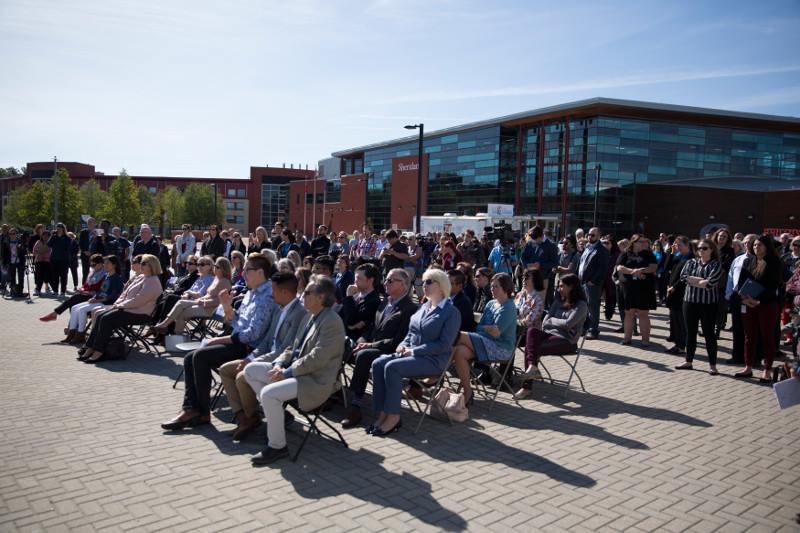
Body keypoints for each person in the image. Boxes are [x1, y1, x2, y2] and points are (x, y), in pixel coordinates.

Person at [161, 252, 277, 430]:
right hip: (238, 341)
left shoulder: (267, 295)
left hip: (250, 350)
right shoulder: (252, 292)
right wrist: (227, 307)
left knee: (200, 357)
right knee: (190, 357)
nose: (243, 274)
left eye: (247, 270)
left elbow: (252, 335)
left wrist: (218, 339)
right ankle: (193, 409)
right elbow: (237, 323)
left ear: (260, 272)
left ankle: (200, 412)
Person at [247, 275, 345, 465]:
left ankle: (277, 446)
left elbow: (318, 358)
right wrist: (279, 364)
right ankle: (279, 417)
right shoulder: (309, 316)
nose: (302, 295)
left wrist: (286, 372)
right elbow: (292, 347)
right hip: (297, 372)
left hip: (314, 381)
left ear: (321, 297)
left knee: (268, 394)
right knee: (251, 370)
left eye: (307, 292)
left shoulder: (332, 321)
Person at [368, 269, 460, 437]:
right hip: (412, 355)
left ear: (441, 286)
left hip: (433, 360)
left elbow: (444, 345)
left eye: (428, 282)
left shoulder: (451, 312)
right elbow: (410, 334)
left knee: (392, 368)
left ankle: (394, 417)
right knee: (378, 363)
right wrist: (402, 346)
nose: (423, 285)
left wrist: (413, 351)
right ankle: (382, 413)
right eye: (423, 282)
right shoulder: (423, 307)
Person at [218, 272, 305, 441]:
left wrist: (252, 362)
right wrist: (249, 358)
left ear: (285, 292)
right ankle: (244, 418)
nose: (271, 294)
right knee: (226, 370)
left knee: (242, 376)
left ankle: (254, 418)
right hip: (264, 358)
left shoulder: (299, 314)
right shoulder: (279, 310)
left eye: (273, 290)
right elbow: (266, 342)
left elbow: (284, 350)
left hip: (280, 365)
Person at [340, 269, 418, 429]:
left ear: (403, 285)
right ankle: (332, 391)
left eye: (390, 281)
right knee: (342, 346)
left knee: (364, 355)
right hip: (372, 345)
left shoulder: (409, 309)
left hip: (391, 350)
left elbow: (398, 340)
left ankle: (356, 405)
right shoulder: (385, 302)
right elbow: (371, 329)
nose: (385, 283)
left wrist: (369, 345)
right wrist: (361, 341)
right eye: (385, 279)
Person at [514, 274, 588, 399]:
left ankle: (526, 388)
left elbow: (568, 324)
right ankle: (532, 367)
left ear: (572, 287)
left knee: (531, 348)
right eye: (558, 286)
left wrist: (552, 320)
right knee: (531, 331)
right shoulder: (558, 301)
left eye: (562, 286)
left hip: (566, 340)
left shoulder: (581, 305)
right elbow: (545, 322)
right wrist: (557, 322)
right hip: (549, 334)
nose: (559, 289)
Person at [80, 254, 163, 363]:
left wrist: (120, 306)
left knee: (106, 319)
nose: (140, 265)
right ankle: (90, 347)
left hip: (140, 314)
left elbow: (138, 300)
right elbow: (125, 294)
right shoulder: (142, 277)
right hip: (129, 309)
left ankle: (98, 352)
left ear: (152, 266)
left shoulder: (153, 282)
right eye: (141, 263)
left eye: (143, 263)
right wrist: (117, 304)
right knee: (100, 316)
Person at [452, 272, 517, 404]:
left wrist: (486, 328)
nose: (492, 289)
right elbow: (480, 327)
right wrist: (487, 328)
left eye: (496, 286)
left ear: (506, 288)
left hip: (500, 348)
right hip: (484, 341)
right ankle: (468, 392)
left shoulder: (509, 307)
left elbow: (496, 333)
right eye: (492, 286)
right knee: (459, 352)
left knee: (456, 335)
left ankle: (435, 373)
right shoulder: (490, 304)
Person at [735, 235, 783, 382]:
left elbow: (774, 287)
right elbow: (741, 282)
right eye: (754, 245)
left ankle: (767, 370)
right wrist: (744, 299)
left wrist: (758, 301)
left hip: (766, 305)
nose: (756, 247)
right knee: (749, 337)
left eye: (759, 245)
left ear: (767, 247)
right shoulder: (749, 261)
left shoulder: (774, 263)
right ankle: (748, 367)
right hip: (748, 304)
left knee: (767, 337)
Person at [674, 239, 723, 375]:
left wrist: (695, 281)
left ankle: (713, 365)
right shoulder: (691, 262)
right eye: (699, 248)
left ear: (712, 250)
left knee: (709, 334)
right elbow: (683, 277)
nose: (701, 250)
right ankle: (688, 361)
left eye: (705, 248)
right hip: (689, 302)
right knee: (690, 332)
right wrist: (701, 281)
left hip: (708, 304)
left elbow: (711, 282)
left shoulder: (715, 264)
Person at [153, 256, 232, 335]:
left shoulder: (225, 282)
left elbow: (219, 301)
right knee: (180, 305)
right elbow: (207, 295)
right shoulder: (216, 279)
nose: (215, 268)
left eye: (217, 267)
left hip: (210, 309)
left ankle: (170, 330)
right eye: (215, 266)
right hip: (203, 303)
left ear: (224, 268)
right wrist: (201, 299)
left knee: (181, 310)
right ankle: (170, 330)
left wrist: (203, 301)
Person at [62, 256, 124, 345]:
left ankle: (80, 335)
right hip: (98, 301)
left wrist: (98, 300)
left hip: (107, 303)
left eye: (107, 263)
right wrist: (94, 297)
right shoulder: (107, 276)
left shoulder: (117, 278)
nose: (105, 265)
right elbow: (100, 291)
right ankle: (71, 334)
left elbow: (113, 296)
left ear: (114, 265)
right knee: (75, 307)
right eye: (104, 263)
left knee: (82, 310)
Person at [38, 253, 106, 329]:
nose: (92, 267)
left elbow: (99, 289)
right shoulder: (93, 272)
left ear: (100, 264)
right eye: (91, 265)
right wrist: (82, 289)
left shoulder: (104, 274)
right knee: (72, 303)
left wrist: (85, 291)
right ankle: (73, 326)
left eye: (94, 265)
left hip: (94, 296)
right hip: (86, 294)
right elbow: (86, 285)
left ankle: (59, 316)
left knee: (74, 299)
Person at [615, 235, 657, 346]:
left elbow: (653, 267)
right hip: (628, 288)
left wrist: (641, 270)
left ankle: (645, 340)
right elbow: (619, 267)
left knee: (643, 313)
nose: (644, 243)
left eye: (645, 242)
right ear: (633, 242)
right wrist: (633, 271)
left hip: (644, 288)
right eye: (641, 241)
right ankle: (627, 338)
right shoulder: (625, 253)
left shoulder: (649, 254)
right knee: (629, 313)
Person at [726, 234, 757, 364]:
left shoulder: (759, 260)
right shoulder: (738, 259)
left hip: (751, 299)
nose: (747, 244)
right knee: (737, 328)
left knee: (751, 330)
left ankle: (752, 358)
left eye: (750, 242)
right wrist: (729, 294)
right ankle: (737, 356)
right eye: (745, 242)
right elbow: (730, 276)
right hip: (736, 298)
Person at [577, 227, 609, 340]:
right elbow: (582, 264)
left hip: (592, 284)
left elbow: (603, 269)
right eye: (588, 235)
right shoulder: (587, 248)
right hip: (582, 282)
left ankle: (593, 330)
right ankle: (585, 328)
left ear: (599, 236)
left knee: (593, 307)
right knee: (584, 306)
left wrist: (593, 281)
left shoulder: (602, 250)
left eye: (593, 235)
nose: (590, 237)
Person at [664, 236, 694, 355]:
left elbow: (685, 277)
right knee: (674, 320)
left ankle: (682, 346)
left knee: (681, 321)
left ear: (687, 245)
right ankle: (677, 344)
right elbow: (667, 268)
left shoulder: (691, 258)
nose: (678, 247)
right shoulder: (679, 256)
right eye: (676, 245)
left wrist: (674, 287)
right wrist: (672, 253)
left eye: (680, 245)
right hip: (672, 292)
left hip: (681, 292)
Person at [340, 263, 381, 342]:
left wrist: (348, 297)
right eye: (355, 278)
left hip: (353, 340)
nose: (355, 281)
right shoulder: (355, 295)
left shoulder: (373, 301)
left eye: (359, 278)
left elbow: (350, 321)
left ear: (370, 280)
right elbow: (341, 316)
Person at [713, 228, 735, 338]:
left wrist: (714, 268)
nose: (721, 238)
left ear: (727, 239)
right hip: (709, 281)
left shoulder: (730, 251)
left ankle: (717, 331)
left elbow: (727, 265)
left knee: (720, 307)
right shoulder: (711, 248)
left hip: (722, 282)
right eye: (720, 236)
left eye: (724, 237)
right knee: (710, 307)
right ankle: (709, 329)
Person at [0, 227, 27, 297]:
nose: (12, 235)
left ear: (17, 234)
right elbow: (3, 253)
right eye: (10, 233)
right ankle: (13, 291)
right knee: (12, 277)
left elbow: (25, 252)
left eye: (14, 233)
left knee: (21, 277)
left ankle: (20, 291)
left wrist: (22, 247)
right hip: (10, 262)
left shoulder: (20, 241)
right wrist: (4, 262)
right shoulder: (6, 242)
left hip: (20, 261)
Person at [47, 223, 71, 297]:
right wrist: (52, 236)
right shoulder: (54, 237)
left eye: (60, 228)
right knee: (55, 276)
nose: (58, 230)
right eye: (57, 228)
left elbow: (67, 246)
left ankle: (63, 291)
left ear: (63, 229)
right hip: (54, 259)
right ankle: (55, 291)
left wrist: (60, 238)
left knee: (63, 276)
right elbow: (49, 244)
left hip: (64, 260)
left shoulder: (67, 238)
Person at [32, 230, 52, 296]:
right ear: (42, 236)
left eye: (47, 235)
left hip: (48, 261)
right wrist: (42, 251)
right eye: (44, 235)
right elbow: (34, 251)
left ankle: (47, 287)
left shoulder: (51, 243)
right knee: (39, 276)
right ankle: (38, 289)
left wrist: (40, 251)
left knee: (47, 275)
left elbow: (50, 251)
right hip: (38, 261)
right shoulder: (38, 242)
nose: (45, 237)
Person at [78, 218, 97, 283]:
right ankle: (84, 286)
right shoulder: (83, 232)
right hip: (85, 255)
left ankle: (94, 287)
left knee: (95, 272)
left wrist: (96, 237)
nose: (90, 224)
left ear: (95, 223)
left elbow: (100, 244)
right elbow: (80, 243)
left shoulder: (97, 232)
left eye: (91, 222)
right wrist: (84, 251)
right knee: (85, 272)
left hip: (95, 255)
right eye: (89, 222)